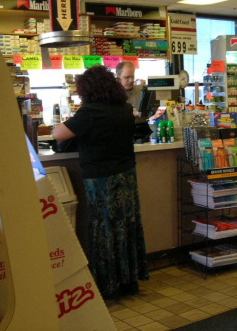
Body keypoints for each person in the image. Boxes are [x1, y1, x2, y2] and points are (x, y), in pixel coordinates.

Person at [52, 65, 149, 299]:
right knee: (126, 225)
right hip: (126, 175)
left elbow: (58, 134)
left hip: (100, 178)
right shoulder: (125, 109)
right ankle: (129, 281)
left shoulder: (90, 113)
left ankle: (108, 284)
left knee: (104, 228)